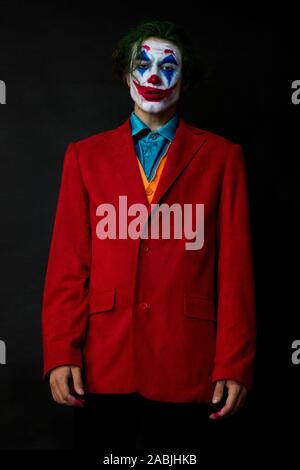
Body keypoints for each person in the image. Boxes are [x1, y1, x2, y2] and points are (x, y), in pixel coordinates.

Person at [41, 20, 256, 452]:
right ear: (126, 74)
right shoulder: (84, 156)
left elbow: (236, 268)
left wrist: (235, 361)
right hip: (103, 359)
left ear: (187, 79)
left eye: (168, 67)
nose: (154, 77)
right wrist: (61, 352)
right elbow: (68, 262)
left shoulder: (222, 157)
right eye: (143, 64)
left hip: (188, 359)